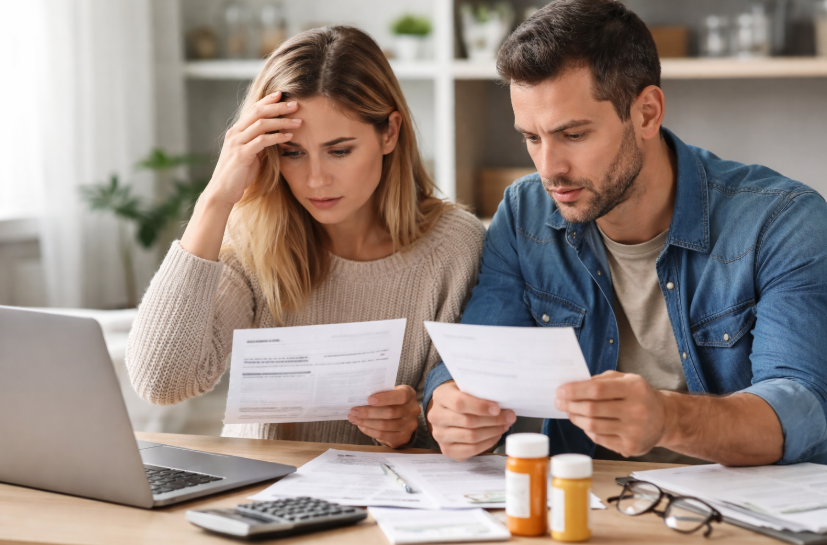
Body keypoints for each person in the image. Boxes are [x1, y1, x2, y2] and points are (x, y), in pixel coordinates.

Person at [424, 0, 827, 466]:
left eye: (573, 135)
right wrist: (447, 404)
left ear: (647, 113)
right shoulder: (524, 212)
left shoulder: (782, 221)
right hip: (586, 507)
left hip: (733, 519)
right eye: (532, 138)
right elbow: (475, 361)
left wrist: (670, 418)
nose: (549, 169)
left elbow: (803, 409)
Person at [126, 26, 486, 449]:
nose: (316, 179)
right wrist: (216, 198)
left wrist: (415, 422)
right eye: (292, 153)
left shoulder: (454, 246)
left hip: (387, 503)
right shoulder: (253, 240)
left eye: (340, 151)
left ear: (389, 133)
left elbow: (466, 422)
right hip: (265, 494)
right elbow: (161, 381)